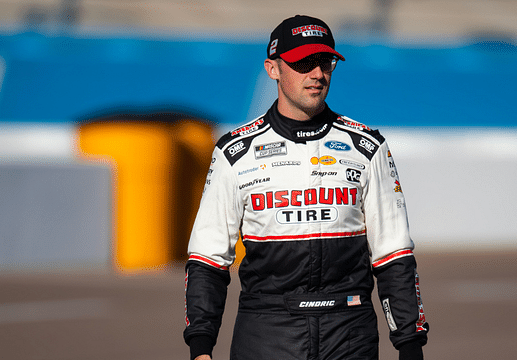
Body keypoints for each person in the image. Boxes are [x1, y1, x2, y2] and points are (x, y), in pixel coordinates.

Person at [183, 15, 429, 360]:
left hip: (349, 334)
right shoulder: (234, 153)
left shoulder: (367, 147)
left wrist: (410, 344)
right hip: (267, 335)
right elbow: (208, 257)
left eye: (325, 62)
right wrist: (201, 346)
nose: (317, 74)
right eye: (303, 62)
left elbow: (394, 254)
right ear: (273, 69)